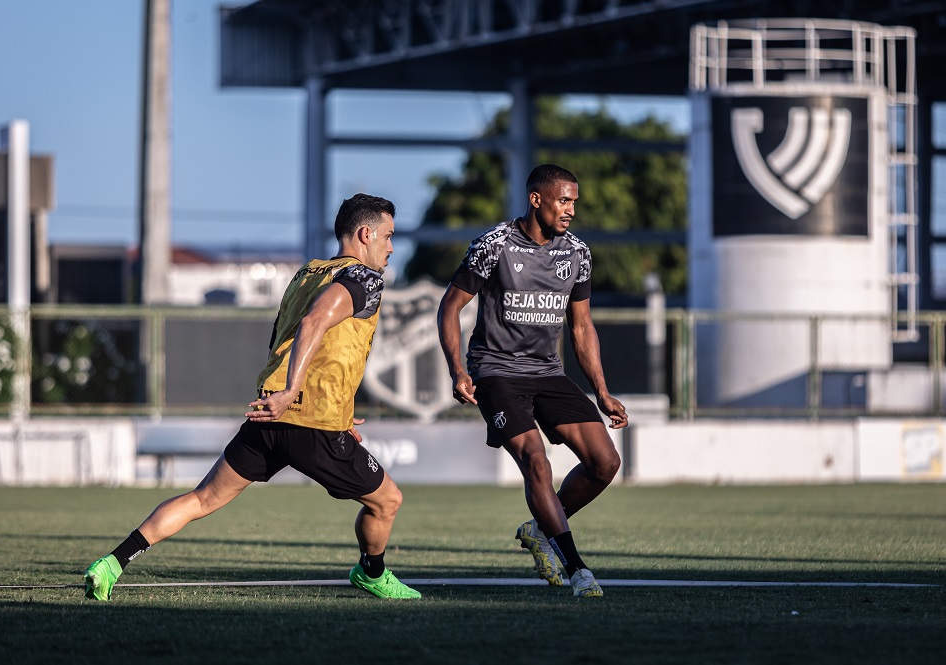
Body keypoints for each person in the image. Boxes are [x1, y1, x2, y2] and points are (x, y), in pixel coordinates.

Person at [84, 193, 421, 601]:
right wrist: (299, 393)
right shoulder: (365, 278)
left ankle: (111, 564)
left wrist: (312, 402)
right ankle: (372, 572)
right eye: (387, 236)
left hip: (270, 415)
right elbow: (316, 321)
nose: (390, 247)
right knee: (387, 501)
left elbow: (289, 339)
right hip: (309, 421)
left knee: (203, 498)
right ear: (365, 234)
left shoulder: (307, 273)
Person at [437, 164, 628, 598]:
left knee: (605, 463)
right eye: (564, 200)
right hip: (496, 371)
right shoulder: (494, 245)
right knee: (535, 460)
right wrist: (457, 369)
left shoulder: (577, 253)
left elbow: (581, 327)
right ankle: (577, 569)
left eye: (575, 202)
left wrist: (601, 391)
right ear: (536, 199)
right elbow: (450, 308)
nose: (571, 210)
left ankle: (541, 527)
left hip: (548, 372)